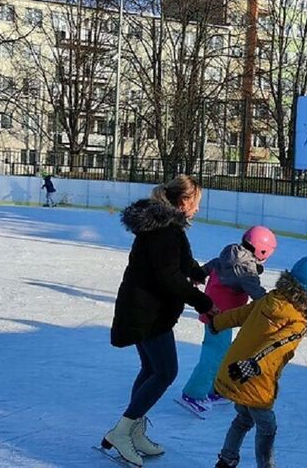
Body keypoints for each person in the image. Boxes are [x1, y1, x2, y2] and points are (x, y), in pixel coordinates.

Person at [102, 175, 217, 467]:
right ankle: (123, 430)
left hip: (144, 308)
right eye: (197, 203)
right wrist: (203, 301)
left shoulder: (166, 228)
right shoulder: (165, 231)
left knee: (151, 368)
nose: (198, 210)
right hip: (148, 312)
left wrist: (201, 272)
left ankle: (134, 428)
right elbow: (169, 277)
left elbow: (178, 263)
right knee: (165, 371)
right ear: (183, 201)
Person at [211, 256, 307, 468]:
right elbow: (277, 343)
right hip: (253, 377)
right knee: (267, 426)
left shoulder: (272, 299)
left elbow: (243, 313)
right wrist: (253, 364)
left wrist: (218, 322)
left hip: (233, 369)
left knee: (243, 419)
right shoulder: (299, 320)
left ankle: (227, 459)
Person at [178, 225, 277, 417]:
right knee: (213, 356)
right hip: (220, 316)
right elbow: (257, 294)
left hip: (217, 312)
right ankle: (193, 394)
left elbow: (212, 264)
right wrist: (274, 305)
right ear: (262, 251)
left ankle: (213, 390)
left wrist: (199, 274)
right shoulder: (246, 270)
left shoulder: (230, 254)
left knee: (222, 353)